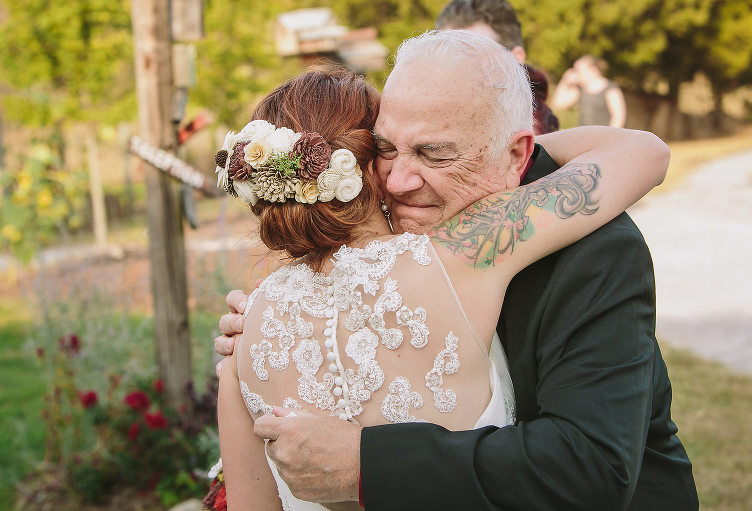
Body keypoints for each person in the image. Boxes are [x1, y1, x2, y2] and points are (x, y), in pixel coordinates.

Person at [215, 31, 697, 510]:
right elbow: (640, 151)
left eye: (435, 152)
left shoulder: (592, 251)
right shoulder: (440, 250)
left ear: (516, 154)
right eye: (385, 149)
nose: (399, 182)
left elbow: (590, 467)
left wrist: (367, 465)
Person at [435, 0, 559, 135]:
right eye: (446, 55)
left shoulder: (529, 126)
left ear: (516, 59)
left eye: (475, 54)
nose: (457, 69)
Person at [553, 55, 628, 128]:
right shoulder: (580, 90)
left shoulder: (610, 88)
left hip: (604, 134)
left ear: (593, 70)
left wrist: (609, 134)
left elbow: (618, 117)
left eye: (578, 70)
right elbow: (558, 105)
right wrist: (564, 82)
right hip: (584, 134)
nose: (576, 73)